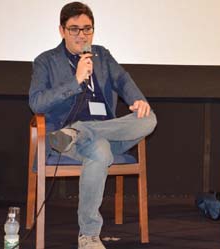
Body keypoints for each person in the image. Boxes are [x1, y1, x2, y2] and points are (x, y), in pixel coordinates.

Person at [29, 2, 157, 249]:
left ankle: (79, 132)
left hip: (102, 130)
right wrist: (76, 80)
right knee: (99, 150)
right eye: (74, 29)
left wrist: (138, 100)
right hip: (62, 138)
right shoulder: (45, 61)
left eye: (87, 29)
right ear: (62, 30)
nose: (82, 35)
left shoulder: (102, 55)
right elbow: (36, 103)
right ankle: (89, 235)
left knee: (149, 117)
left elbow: (123, 80)